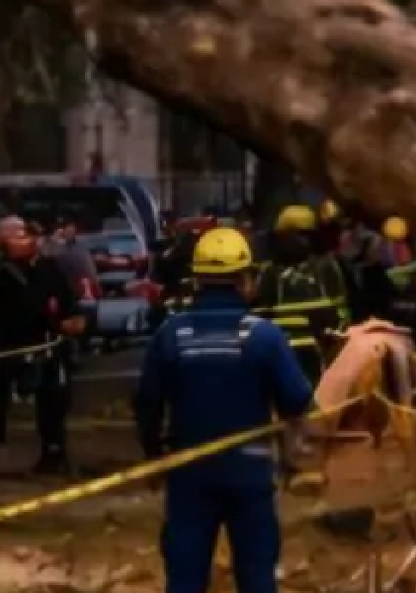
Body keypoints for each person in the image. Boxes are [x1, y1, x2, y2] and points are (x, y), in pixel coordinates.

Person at [134, 226, 314, 593]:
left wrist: (154, 455)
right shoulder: (264, 336)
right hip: (249, 476)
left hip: (189, 476)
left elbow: (146, 403)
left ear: (197, 279)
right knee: (256, 577)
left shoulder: (171, 334)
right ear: (245, 279)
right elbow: (297, 399)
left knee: (184, 578)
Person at [0, 216, 86, 472]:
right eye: (18, 237)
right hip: (9, 345)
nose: (25, 242)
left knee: (54, 398)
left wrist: (71, 319)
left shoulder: (49, 268)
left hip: (48, 344)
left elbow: (66, 300)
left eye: (28, 237)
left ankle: (54, 450)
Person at [253, 205, 341, 385]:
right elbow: (260, 314)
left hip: (317, 353)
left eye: (304, 235)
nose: (300, 242)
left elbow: (341, 310)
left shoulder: (326, 267)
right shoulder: (270, 272)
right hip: (285, 352)